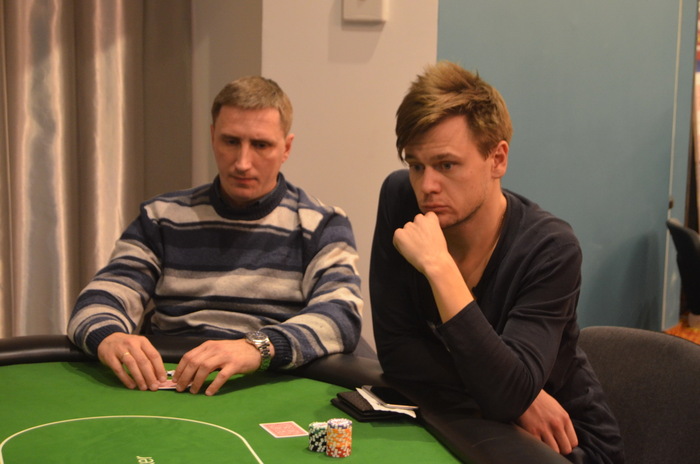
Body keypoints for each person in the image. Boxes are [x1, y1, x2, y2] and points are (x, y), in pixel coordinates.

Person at [370, 61, 624, 463]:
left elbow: (507, 392)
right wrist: (516, 396)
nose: (427, 186)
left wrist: (439, 268)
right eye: (416, 165)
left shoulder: (551, 248)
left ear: (497, 159)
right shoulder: (400, 198)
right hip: (473, 418)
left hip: (564, 441)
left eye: (447, 165)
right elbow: (398, 352)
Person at [68, 76, 362, 396]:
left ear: (286, 148)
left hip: (260, 384)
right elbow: (102, 297)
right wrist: (110, 336)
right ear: (212, 137)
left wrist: (256, 347)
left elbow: (340, 317)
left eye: (261, 145)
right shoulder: (162, 217)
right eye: (231, 141)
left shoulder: (323, 223)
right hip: (170, 381)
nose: (242, 163)